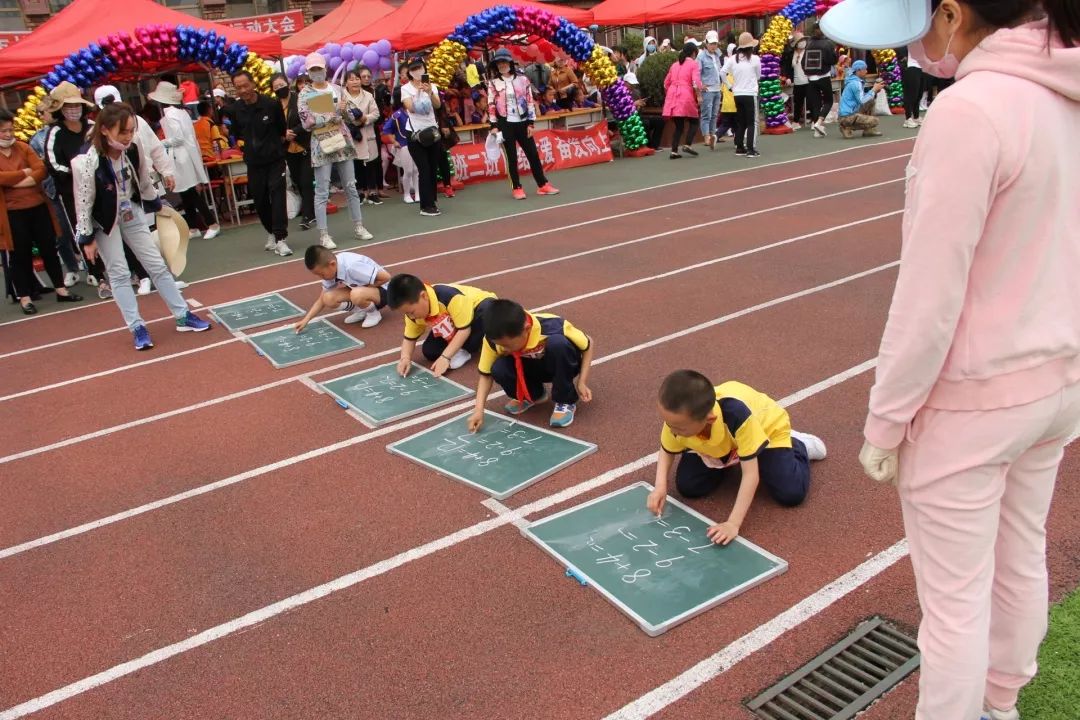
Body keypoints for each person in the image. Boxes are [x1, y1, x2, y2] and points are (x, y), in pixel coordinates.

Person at [821, 0, 1080, 718]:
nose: (920, 48)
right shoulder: (1066, 95)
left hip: (972, 403)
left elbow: (930, 295)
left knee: (956, 604)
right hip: (1058, 386)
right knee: (1019, 557)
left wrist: (884, 424)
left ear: (952, 14)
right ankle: (1002, 706)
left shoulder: (971, 111)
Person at [71, 103, 209, 349]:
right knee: (119, 273)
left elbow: (143, 178)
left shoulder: (133, 149)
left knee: (156, 264)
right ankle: (137, 326)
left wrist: (154, 203)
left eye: (130, 130)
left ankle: (182, 315)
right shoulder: (87, 161)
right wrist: (86, 237)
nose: (127, 136)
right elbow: (83, 201)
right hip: (103, 221)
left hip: (130, 210)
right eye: (122, 131)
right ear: (104, 130)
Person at [646, 370, 826, 543]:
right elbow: (667, 449)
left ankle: (798, 444)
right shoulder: (677, 421)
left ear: (709, 420)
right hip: (725, 442)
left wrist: (733, 523)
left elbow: (750, 475)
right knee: (689, 487)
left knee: (791, 493)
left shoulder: (737, 415)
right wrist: (660, 487)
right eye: (668, 423)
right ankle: (731, 457)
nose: (671, 429)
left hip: (767, 430)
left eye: (678, 427)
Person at [0, 109, 83, 314]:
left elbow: (41, 170)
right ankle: (25, 297)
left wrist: (14, 180)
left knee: (49, 248)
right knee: (19, 255)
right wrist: (24, 174)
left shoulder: (23, 147)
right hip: (12, 213)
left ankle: (61, 290)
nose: (8, 135)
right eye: (3, 131)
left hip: (38, 207)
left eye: (10, 130)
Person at [468, 298, 593, 430]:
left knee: (558, 344)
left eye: (506, 345)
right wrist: (478, 409)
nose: (503, 348)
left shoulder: (554, 326)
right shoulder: (494, 340)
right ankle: (534, 395)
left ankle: (565, 401)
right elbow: (486, 375)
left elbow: (588, 343)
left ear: (526, 329)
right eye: (500, 345)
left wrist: (582, 381)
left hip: (560, 364)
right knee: (498, 368)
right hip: (528, 367)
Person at [43, 82, 114, 298]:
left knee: (109, 227)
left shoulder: (92, 125)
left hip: (100, 187)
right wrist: (78, 173)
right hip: (71, 193)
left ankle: (126, 271)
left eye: (76, 105)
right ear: (60, 109)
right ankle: (99, 276)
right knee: (84, 232)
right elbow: (53, 164)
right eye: (68, 106)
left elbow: (105, 150)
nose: (73, 110)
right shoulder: (55, 132)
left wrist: (96, 173)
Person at [298, 52, 372, 248]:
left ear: (325, 69)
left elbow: (348, 115)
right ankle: (323, 234)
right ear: (308, 72)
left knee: (350, 185)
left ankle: (358, 226)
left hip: (342, 142)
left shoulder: (338, 89)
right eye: (313, 70)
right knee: (322, 191)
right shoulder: (305, 94)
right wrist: (332, 112)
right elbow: (308, 122)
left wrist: (349, 111)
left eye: (319, 69)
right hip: (321, 144)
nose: (317, 73)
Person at [224, 70, 292, 257]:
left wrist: (275, 147)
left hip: (275, 160)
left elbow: (281, 129)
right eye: (238, 87)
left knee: (277, 195)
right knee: (260, 199)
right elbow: (236, 134)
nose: (243, 90)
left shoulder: (271, 105)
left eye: (246, 85)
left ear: (253, 84)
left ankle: (280, 238)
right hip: (254, 163)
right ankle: (270, 231)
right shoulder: (236, 109)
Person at [149, 80, 221, 240]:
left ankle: (212, 224)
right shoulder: (182, 113)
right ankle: (193, 226)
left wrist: (161, 143)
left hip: (180, 157)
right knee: (186, 192)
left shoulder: (171, 115)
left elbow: (178, 138)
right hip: (185, 156)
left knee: (190, 192)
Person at [386, 273, 497, 377]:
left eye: (411, 312)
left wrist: (445, 357)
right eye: (406, 313)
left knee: (484, 318)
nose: (411, 317)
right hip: (454, 323)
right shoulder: (412, 314)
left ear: (424, 296)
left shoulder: (450, 297)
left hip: (480, 311)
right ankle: (461, 349)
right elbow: (409, 338)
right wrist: (405, 358)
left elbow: (464, 330)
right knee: (430, 351)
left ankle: (470, 347)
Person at [486, 48, 560, 200]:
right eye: (499, 63)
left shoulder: (523, 79)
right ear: (496, 66)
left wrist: (531, 123)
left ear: (510, 63)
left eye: (504, 62)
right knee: (512, 158)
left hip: (523, 122)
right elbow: (491, 104)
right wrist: (493, 126)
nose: (502, 65)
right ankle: (517, 187)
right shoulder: (493, 83)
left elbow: (529, 101)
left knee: (532, 154)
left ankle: (542, 185)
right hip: (505, 124)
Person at [29, 104, 80, 288]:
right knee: (61, 232)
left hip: (74, 185)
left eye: (49, 110)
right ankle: (72, 269)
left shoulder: (68, 129)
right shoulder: (37, 140)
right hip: (52, 190)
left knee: (81, 227)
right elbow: (36, 167)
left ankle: (94, 269)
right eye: (42, 112)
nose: (46, 114)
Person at [295, 245, 388, 332]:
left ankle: (373, 313)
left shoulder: (352, 266)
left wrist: (364, 291)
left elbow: (386, 277)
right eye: (317, 275)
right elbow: (321, 300)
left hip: (384, 291)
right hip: (360, 290)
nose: (321, 277)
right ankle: (362, 311)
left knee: (356, 294)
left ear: (332, 264)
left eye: (321, 274)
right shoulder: (331, 270)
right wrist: (306, 320)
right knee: (327, 298)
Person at [400, 55, 444, 217]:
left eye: (420, 68)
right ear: (409, 73)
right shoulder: (406, 89)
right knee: (423, 168)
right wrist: (418, 93)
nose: (417, 72)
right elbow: (410, 108)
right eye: (413, 69)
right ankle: (426, 206)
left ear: (424, 69)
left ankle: (431, 200)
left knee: (433, 168)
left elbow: (438, 105)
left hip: (432, 131)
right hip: (415, 134)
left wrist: (430, 91)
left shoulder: (431, 86)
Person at [270, 74, 315, 231]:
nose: (279, 89)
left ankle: (308, 215)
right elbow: (272, 127)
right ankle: (310, 209)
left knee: (307, 180)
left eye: (281, 85)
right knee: (297, 180)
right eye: (275, 87)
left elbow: (308, 120)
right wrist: (283, 136)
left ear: (288, 84)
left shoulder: (299, 99)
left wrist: (293, 132)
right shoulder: (274, 105)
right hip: (288, 149)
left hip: (305, 145)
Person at [342, 67, 383, 206]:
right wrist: (349, 118)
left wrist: (365, 118)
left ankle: (372, 192)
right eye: (351, 79)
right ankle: (359, 192)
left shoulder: (368, 95)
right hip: (351, 134)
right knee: (355, 164)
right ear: (346, 83)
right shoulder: (341, 97)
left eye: (357, 79)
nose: (355, 82)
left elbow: (376, 114)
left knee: (371, 163)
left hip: (367, 132)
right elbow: (337, 116)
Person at [722, 32, 763, 158]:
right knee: (752, 122)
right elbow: (758, 76)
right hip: (750, 93)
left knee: (742, 122)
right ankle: (751, 149)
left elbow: (722, 72)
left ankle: (740, 147)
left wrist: (729, 86)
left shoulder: (733, 59)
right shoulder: (755, 59)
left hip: (737, 93)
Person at [663, 42, 703, 159]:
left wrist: (670, 94)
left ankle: (674, 151)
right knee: (694, 121)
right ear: (693, 53)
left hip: (673, 95)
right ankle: (688, 144)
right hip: (686, 95)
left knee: (679, 126)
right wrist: (699, 96)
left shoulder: (674, 65)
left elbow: (666, 83)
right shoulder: (693, 64)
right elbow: (695, 82)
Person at [802, 22, 839, 137]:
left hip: (811, 77)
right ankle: (819, 123)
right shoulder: (827, 43)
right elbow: (832, 60)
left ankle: (816, 128)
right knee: (828, 101)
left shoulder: (808, 43)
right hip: (823, 75)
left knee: (816, 103)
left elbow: (803, 62)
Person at [381, 90, 418, 204]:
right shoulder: (397, 115)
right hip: (404, 145)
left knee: (417, 170)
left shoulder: (416, 112)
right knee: (408, 171)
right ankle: (407, 194)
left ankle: (418, 193)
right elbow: (386, 129)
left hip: (417, 143)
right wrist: (394, 141)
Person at [837, 60, 885, 138]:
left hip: (847, 114)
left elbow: (863, 98)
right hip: (847, 116)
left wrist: (874, 91)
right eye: (865, 69)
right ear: (858, 70)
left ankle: (868, 130)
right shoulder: (856, 83)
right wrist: (874, 90)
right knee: (875, 121)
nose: (866, 71)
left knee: (870, 101)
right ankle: (846, 127)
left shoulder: (853, 80)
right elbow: (862, 100)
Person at [697, 31, 725, 149]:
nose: (714, 46)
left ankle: (713, 135)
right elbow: (697, 73)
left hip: (717, 88)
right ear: (706, 43)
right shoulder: (701, 57)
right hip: (707, 90)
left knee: (714, 114)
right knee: (706, 114)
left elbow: (720, 70)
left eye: (715, 43)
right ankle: (706, 136)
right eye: (712, 43)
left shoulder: (718, 54)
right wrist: (699, 88)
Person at [782, 35, 810, 127]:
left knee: (812, 101)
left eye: (803, 40)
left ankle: (815, 120)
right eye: (800, 40)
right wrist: (788, 77)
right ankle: (796, 121)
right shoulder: (791, 54)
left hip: (808, 80)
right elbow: (787, 67)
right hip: (797, 82)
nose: (803, 42)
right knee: (798, 102)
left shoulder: (807, 53)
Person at [898, 45, 925, 127]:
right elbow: (900, 46)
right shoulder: (909, 37)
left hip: (922, 67)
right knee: (910, 94)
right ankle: (908, 118)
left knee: (919, 94)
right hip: (911, 67)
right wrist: (903, 57)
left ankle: (916, 117)